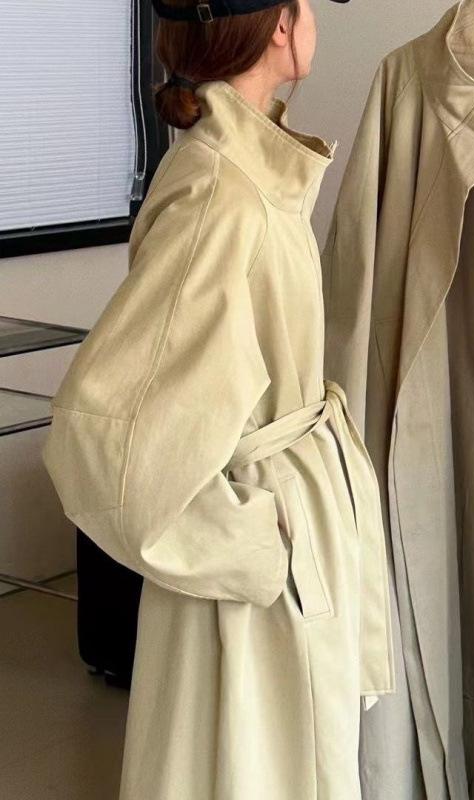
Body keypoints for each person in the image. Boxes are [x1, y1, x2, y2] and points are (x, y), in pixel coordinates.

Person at [41, 1, 394, 797]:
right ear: (280, 26)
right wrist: (261, 545)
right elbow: (102, 442)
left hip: (277, 544)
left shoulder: (246, 173)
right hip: (254, 572)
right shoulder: (219, 194)